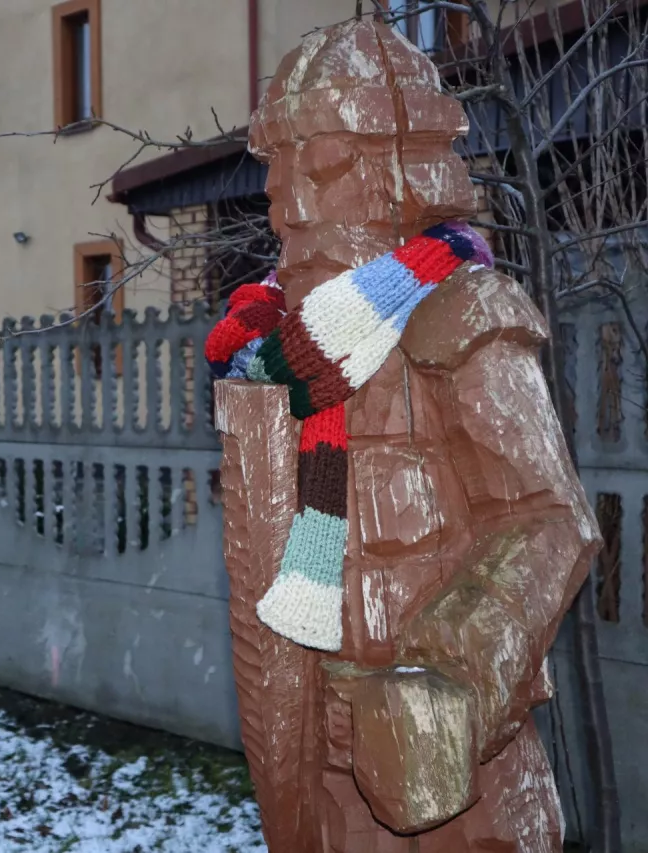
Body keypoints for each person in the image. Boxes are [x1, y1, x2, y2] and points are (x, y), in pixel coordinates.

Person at [211, 18, 599, 852]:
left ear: (403, 164)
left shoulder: (463, 314)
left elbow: (549, 517)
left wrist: (447, 683)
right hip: (322, 776)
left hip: (463, 786)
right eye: (280, 170)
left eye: (326, 164)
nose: (295, 203)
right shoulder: (277, 351)